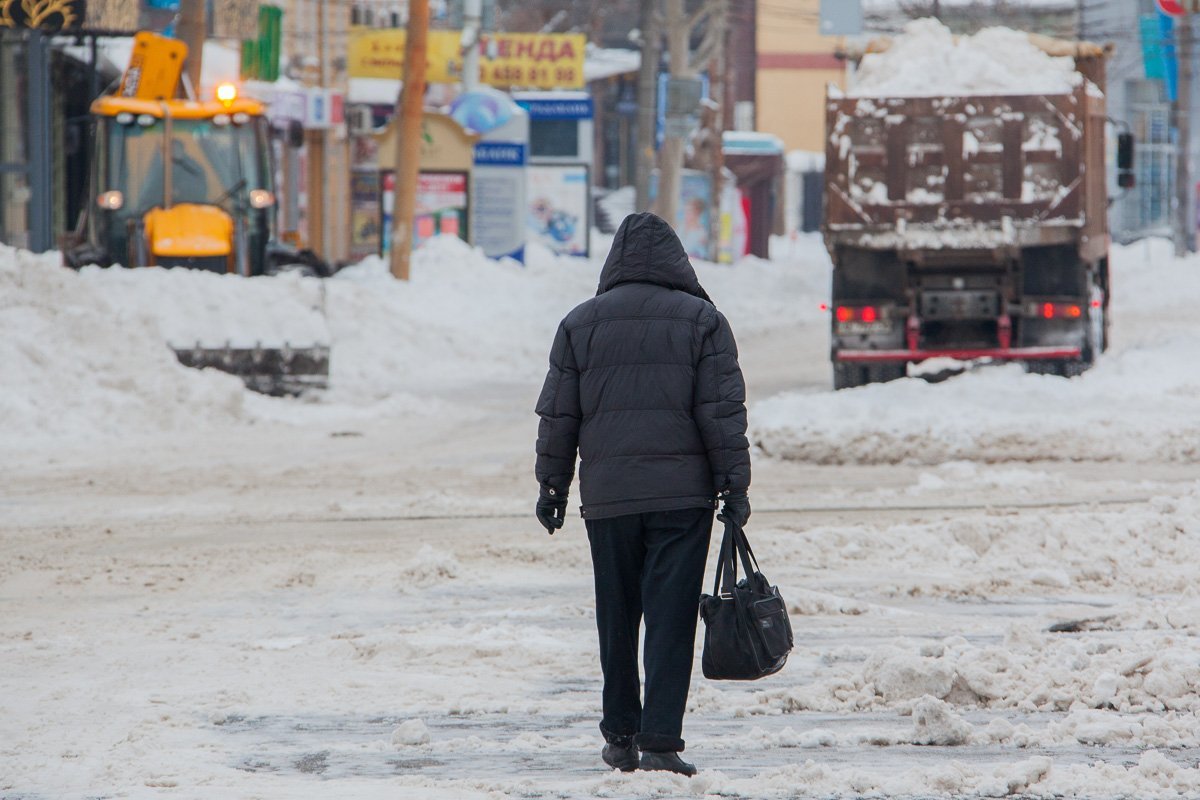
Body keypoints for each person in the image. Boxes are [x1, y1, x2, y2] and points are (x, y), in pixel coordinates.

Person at [534, 212, 751, 776]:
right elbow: (721, 414)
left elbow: (560, 415)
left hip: (608, 499)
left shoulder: (579, 324)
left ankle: (618, 735)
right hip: (683, 501)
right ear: (677, 261)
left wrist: (552, 483)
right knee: (671, 616)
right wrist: (735, 484)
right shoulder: (703, 321)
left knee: (617, 614)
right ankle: (660, 740)